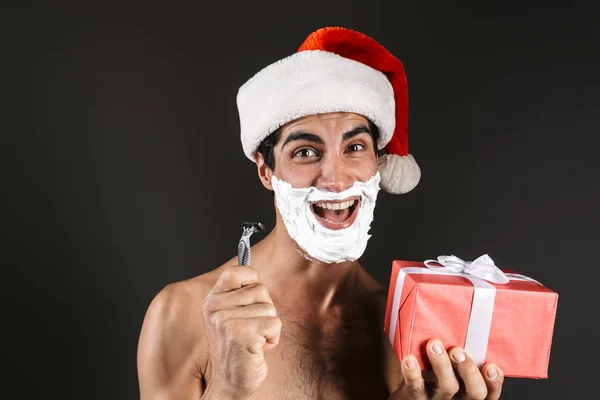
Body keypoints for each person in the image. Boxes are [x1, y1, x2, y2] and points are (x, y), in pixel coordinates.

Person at [137, 27, 505, 399]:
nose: (336, 180)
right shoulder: (183, 314)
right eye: (305, 152)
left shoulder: (408, 328)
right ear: (266, 170)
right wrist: (228, 389)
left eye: (355, 147)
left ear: (379, 164)